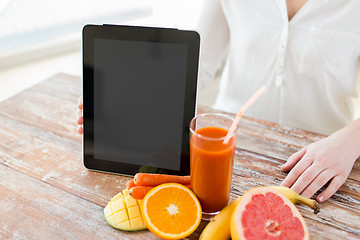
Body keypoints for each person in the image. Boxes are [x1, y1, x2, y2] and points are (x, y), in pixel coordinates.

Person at [77, 0, 360, 202]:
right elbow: (197, 63)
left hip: (321, 158)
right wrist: (126, 93)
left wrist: (349, 142)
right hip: (227, 147)